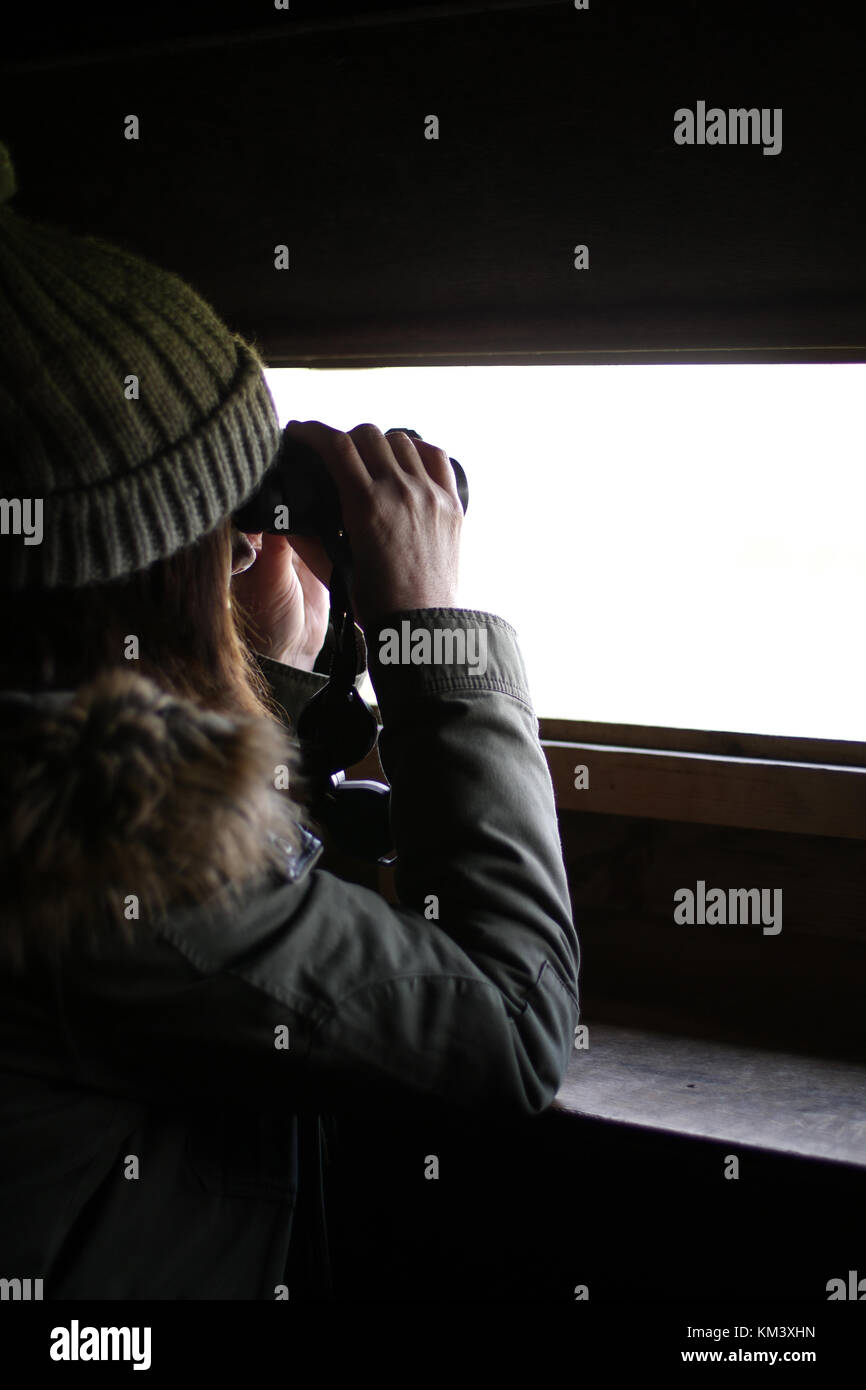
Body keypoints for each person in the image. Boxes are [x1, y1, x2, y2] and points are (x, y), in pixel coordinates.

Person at [0, 139, 579, 1299]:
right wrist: (428, 628)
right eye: (223, 519)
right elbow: (513, 1027)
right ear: (149, 562)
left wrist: (259, 671)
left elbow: (235, 900)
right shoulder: (91, 856)